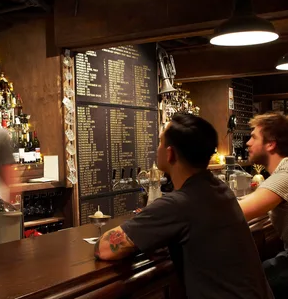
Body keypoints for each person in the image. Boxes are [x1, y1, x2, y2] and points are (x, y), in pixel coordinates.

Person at [94, 113, 273, 299]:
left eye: (160, 142)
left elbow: (104, 248)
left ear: (170, 153)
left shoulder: (179, 204)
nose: (157, 148)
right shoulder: (220, 189)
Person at [239, 113, 288, 298]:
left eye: (253, 137)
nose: (248, 143)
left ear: (271, 144)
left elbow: (235, 212)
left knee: (241, 286)